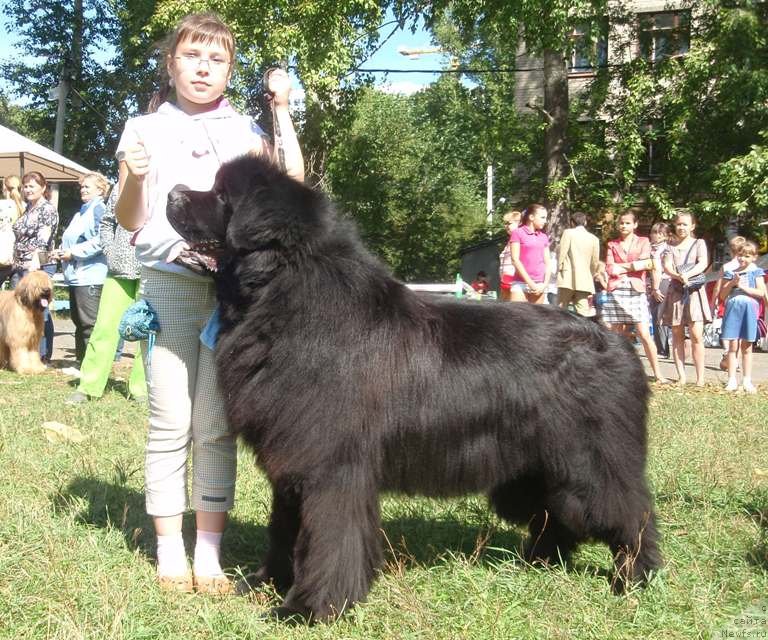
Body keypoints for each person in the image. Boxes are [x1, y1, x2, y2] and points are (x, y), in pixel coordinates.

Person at [115, 12, 304, 594]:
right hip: (169, 287)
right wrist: (132, 178)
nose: (203, 68)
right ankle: (169, 549)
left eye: (217, 59)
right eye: (192, 56)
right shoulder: (143, 128)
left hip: (232, 299)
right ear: (170, 63)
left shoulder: (244, 132)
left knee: (217, 426)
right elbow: (130, 219)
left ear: (229, 69)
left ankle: (209, 552)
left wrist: (281, 110)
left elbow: (293, 181)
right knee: (169, 419)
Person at [66, 187, 146, 403]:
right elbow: (107, 222)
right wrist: (110, 252)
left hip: (153, 269)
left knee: (148, 331)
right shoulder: (122, 186)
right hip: (118, 270)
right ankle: (88, 386)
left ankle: (141, 389)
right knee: (104, 328)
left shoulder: (165, 182)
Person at [52, 173, 109, 364]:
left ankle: (93, 367)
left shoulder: (99, 209)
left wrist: (74, 253)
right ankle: (81, 364)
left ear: (100, 190)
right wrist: (62, 251)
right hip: (76, 277)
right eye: (82, 187)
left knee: (89, 325)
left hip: (90, 277)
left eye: (87, 187)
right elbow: (73, 240)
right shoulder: (81, 213)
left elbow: (102, 239)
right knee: (79, 323)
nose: (82, 190)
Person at [603, 211, 667, 382]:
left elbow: (646, 263)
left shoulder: (643, 241)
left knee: (644, 333)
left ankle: (658, 374)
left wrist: (623, 267)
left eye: (627, 223)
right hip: (616, 290)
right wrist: (632, 266)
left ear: (635, 225)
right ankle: (615, 372)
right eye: (621, 223)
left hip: (636, 290)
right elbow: (610, 268)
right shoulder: (612, 244)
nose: (624, 226)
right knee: (615, 335)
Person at [11, 171, 58, 363]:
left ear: (43, 187)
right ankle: (21, 352)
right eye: (25, 186)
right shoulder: (27, 208)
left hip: (38, 266)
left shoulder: (47, 209)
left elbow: (43, 238)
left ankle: (42, 355)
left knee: (40, 311)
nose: (28, 189)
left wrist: (34, 263)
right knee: (21, 310)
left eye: (32, 186)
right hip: (20, 266)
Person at [662, 210, 712, 386]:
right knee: (677, 335)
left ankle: (700, 378)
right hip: (676, 292)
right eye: (678, 224)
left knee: (696, 334)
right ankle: (681, 376)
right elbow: (667, 266)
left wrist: (687, 275)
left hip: (694, 292)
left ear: (692, 226)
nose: (681, 227)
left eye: (685, 224)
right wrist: (677, 276)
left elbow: (703, 262)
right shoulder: (669, 247)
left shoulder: (699, 243)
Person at [718, 241, 765, 393]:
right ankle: (732, 379)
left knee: (747, 346)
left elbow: (761, 292)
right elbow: (722, 295)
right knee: (732, 346)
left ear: (754, 257)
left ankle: (747, 380)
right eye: (740, 255)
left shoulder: (756, 272)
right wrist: (732, 283)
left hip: (749, 309)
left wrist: (742, 286)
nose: (743, 259)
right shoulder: (731, 272)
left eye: (747, 256)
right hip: (733, 308)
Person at [712, 235, 746, 371]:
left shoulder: (726, 266)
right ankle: (735, 359)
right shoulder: (747, 265)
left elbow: (717, 287)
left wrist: (714, 301)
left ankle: (727, 352)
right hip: (744, 301)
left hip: (729, 301)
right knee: (739, 332)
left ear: (731, 251)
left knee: (727, 329)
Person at [557, 211, 600, 317]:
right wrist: (590, 275)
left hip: (567, 278)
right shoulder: (594, 239)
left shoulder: (568, 233)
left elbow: (562, 254)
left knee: (560, 310)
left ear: (572, 222)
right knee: (583, 312)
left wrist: (559, 269)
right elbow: (595, 262)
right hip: (584, 280)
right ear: (585, 222)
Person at [508, 204, 550, 304]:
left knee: (536, 314)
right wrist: (530, 283)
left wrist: (544, 284)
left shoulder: (543, 237)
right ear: (531, 217)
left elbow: (548, 263)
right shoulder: (517, 233)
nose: (545, 221)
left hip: (539, 284)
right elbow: (515, 259)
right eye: (542, 217)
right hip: (520, 283)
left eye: (545, 218)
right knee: (517, 313)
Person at [648, 222, 672, 358]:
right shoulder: (650, 248)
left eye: (660, 233)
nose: (656, 236)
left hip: (663, 282)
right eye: (654, 232)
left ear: (666, 236)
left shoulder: (665, 249)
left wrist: (656, 288)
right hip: (653, 283)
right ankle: (660, 347)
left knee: (659, 315)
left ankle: (662, 349)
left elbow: (659, 270)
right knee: (654, 314)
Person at [498, 210, 521, 301]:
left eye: (509, 223)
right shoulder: (510, 240)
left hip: (515, 283)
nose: (506, 226)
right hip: (505, 282)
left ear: (519, 223)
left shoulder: (520, 240)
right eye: (505, 223)